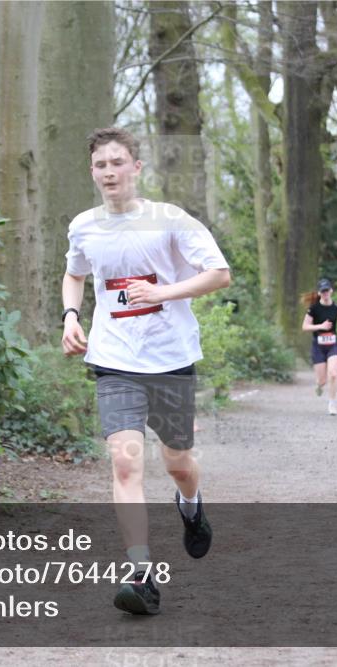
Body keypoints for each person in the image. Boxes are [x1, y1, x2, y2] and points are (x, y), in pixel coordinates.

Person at [61, 127, 231, 615]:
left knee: (177, 461)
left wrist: (163, 293)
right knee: (126, 462)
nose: (109, 172)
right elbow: (74, 274)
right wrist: (71, 316)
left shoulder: (169, 220)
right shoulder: (84, 226)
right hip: (114, 361)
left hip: (170, 358)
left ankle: (191, 505)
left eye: (118, 162)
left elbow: (219, 273)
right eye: (100, 165)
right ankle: (140, 574)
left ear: (137, 167)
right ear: (92, 172)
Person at [301, 278, 337, 415]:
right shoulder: (314, 309)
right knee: (322, 381)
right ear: (319, 293)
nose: (325, 293)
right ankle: (319, 385)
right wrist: (320, 326)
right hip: (318, 346)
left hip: (333, 344)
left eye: (327, 290)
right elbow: (304, 326)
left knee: (333, 374)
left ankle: (332, 404)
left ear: (331, 291)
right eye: (323, 291)